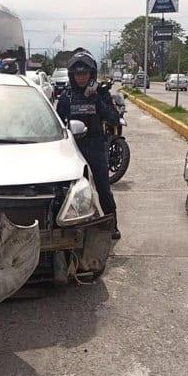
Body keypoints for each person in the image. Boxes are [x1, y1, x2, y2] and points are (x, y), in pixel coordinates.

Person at [56, 50, 121, 240]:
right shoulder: (66, 97)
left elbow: (114, 119)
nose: (81, 77)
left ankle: (112, 224)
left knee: (103, 188)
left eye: (85, 73)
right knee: (67, 189)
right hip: (72, 148)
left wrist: (97, 100)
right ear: (72, 75)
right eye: (77, 74)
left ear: (91, 74)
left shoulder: (101, 94)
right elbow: (58, 122)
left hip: (95, 146)